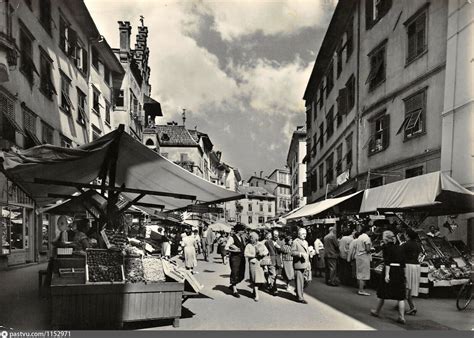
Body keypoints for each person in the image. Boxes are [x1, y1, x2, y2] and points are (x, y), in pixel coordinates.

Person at [370, 231, 406, 324]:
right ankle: (401, 316)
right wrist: (404, 274)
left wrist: (387, 274)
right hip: (399, 271)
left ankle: (377, 311)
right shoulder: (400, 247)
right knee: (400, 296)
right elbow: (403, 262)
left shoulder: (386, 247)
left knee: (383, 292)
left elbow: (387, 262)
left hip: (390, 270)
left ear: (386, 239)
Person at [401, 228, 422, 315]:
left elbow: (400, 254)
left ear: (408, 235)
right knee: (410, 286)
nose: (404, 235)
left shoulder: (405, 245)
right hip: (416, 266)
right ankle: (400, 303)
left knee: (406, 286)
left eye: (405, 234)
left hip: (408, 265)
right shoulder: (418, 245)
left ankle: (412, 307)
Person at [244, 232, 268, 301]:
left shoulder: (260, 244)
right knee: (255, 279)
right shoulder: (248, 245)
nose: (251, 239)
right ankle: (257, 295)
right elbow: (245, 254)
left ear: (256, 238)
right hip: (253, 263)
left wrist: (262, 254)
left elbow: (266, 251)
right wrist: (253, 256)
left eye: (252, 238)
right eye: (250, 238)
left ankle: (254, 292)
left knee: (259, 280)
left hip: (259, 263)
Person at [225, 223, 247, 297]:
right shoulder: (232, 238)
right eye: (242, 230)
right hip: (235, 258)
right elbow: (226, 247)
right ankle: (234, 289)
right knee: (235, 272)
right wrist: (234, 251)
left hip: (242, 257)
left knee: (241, 274)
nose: (243, 232)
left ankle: (233, 285)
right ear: (238, 231)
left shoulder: (241, 238)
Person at [292, 227, 313, 304]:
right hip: (299, 264)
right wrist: (300, 254)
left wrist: (311, 252)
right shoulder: (295, 242)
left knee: (308, 280)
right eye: (303, 234)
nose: (305, 235)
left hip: (307, 264)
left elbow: (307, 252)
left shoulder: (306, 242)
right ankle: (300, 297)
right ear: (299, 234)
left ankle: (298, 290)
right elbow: (292, 252)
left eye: (305, 234)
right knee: (300, 281)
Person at [355, 225, 372, 296]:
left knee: (359, 273)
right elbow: (367, 249)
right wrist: (372, 250)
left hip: (358, 256)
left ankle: (360, 288)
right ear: (367, 230)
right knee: (364, 274)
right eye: (370, 230)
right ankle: (361, 290)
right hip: (364, 256)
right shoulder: (367, 238)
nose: (371, 231)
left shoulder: (360, 237)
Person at [264, 230, 279, 295]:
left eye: (277, 234)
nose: (276, 236)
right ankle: (274, 289)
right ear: (272, 235)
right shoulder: (268, 242)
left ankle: (271, 286)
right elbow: (265, 251)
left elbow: (281, 250)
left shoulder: (279, 242)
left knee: (275, 276)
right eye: (275, 234)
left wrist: (279, 247)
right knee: (273, 275)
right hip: (271, 260)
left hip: (277, 261)